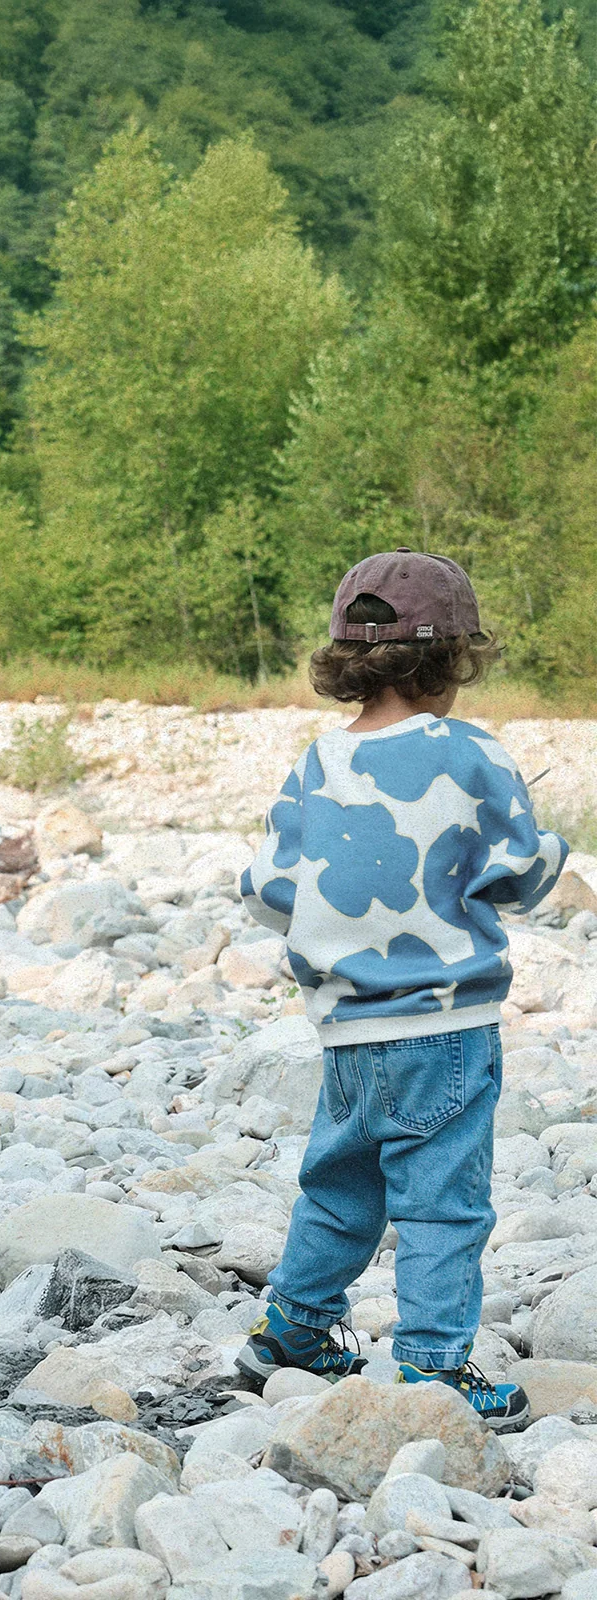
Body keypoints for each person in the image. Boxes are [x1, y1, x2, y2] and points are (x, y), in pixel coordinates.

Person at [235, 549, 568, 1431]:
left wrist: (346, 935)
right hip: (446, 1024)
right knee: (444, 1200)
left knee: (339, 1186)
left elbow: (267, 888)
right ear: (450, 660)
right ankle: (431, 1365)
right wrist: (555, 852)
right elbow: (517, 874)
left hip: (345, 1027)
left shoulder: (317, 763)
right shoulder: (468, 753)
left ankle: (290, 1332)